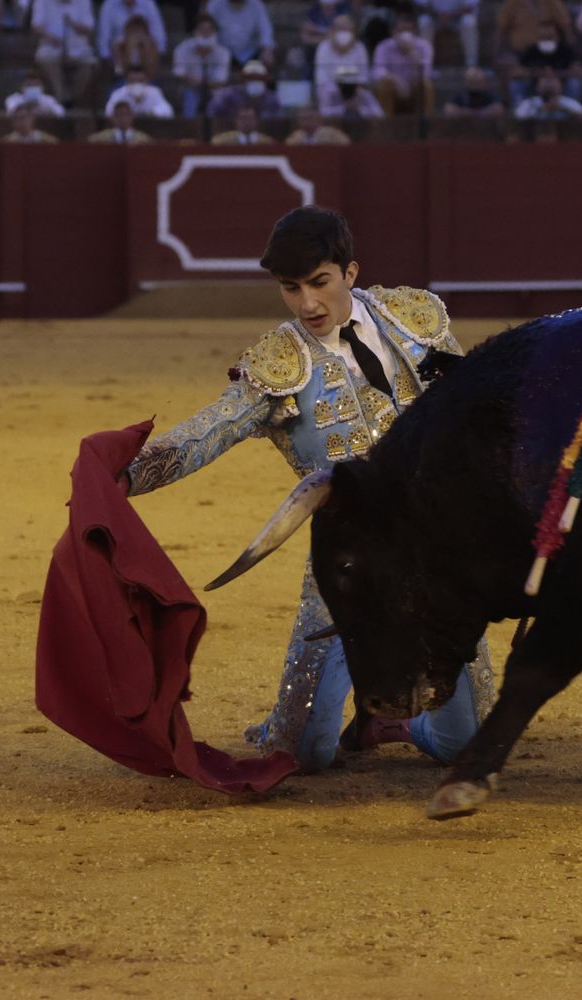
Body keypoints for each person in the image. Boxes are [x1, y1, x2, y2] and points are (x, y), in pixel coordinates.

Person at [123, 206, 494, 772]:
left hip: (437, 557)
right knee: (303, 754)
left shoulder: (413, 319)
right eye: (290, 288)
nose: (307, 304)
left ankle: (392, 723)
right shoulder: (279, 364)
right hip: (347, 564)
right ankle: (313, 722)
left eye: (319, 283)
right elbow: (207, 433)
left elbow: (474, 406)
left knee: (463, 745)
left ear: (350, 272)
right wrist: (128, 474)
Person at [32, 0, 98, 107]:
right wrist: (51, 38)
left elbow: (89, 28)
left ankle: (71, 101)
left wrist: (73, 24)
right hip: (51, 48)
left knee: (89, 66)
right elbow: (36, 26)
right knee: (47, 63)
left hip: (79, 49)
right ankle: (61, 100)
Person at [373, 15, 437, 115]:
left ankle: (425, 123)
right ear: (394, 32)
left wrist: (411, 51)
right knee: (383, 85)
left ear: (415, 32)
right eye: (401, 30)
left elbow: (426, 72)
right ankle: (385, 123)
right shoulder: (383, 46)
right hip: (394, 88)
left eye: (409, 30)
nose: (405, 34)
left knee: (426, 85)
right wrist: (396, 80)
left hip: (414, 88)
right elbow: (378, 72)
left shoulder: (424, 46)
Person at [174, 15, 232, 117]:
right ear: (195, 32)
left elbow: (221, 80)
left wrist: (203, 83)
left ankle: (214, 125)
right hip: (190, 86)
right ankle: (189, 124)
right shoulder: (182, 49)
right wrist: (194, 82)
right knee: (190, 95)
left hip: (213, 88)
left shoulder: (223, 53)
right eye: (202, 30)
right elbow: (179, 72)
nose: (205, 33)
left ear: (215, 33)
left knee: (219, 96)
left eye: (209, 30)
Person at [204, 0, 276, 67]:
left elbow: (265, 29)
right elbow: (204, 25)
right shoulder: (215, 4)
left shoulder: (257, 5)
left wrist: (267, 50)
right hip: (221, 54)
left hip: (250, 54)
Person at [207, 59, 281, 118]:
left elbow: (278, 120)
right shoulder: (229, 95)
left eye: (259, 79)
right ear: (243, 81)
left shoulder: (272, 100)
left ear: (265, 82)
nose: (255, 82)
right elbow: (211, 111)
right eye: (251, 78)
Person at [513, 68, 582, 118]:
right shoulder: (529, 103)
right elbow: (517, 119)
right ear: (537, 87)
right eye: (545, 78)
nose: (549, 83)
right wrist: (541, 110)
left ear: (561, 86)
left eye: (553, 78)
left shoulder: (568, 102)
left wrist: (563, 109)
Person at [317, 63, 385, 118]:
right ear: (338, 84)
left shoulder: (363, 93)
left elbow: (379, 114)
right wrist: (344, 108)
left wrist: (359, 109)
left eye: (351, 85)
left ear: (356, 84)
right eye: (345, 85)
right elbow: (322, 112)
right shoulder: (331, 93)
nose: (348, 88)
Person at [107, 67, 175, 117]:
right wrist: (125, 113)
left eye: (140, 81)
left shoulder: (154, 92)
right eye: (133, 81)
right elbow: (108, 111)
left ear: (147, 80)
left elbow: (168, 111)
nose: (137, 84)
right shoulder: (119, 93)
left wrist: (152, 113)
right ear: (126, 81)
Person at [442, 65, 507, 116]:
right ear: (465, 82)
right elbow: (449, 109)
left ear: (484, 82)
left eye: (478, 82)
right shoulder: (460, 95)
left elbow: (499, 108)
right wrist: (466, 113)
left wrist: (478, 113)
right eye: (471, 82)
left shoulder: (490, 95)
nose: (475, 85)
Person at [88, 98, 152, 140]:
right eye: (119, 115)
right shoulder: (99, 139)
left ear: (132, 116)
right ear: (113, 117)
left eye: (126, 114)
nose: (123, 118)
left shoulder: (144, 140)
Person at [287, 103, 351, 141]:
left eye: (309, 117)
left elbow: (347, 147)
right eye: (302, 118)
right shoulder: (295, 137)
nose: (306, 121)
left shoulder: (333, 134)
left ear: (318, 117)